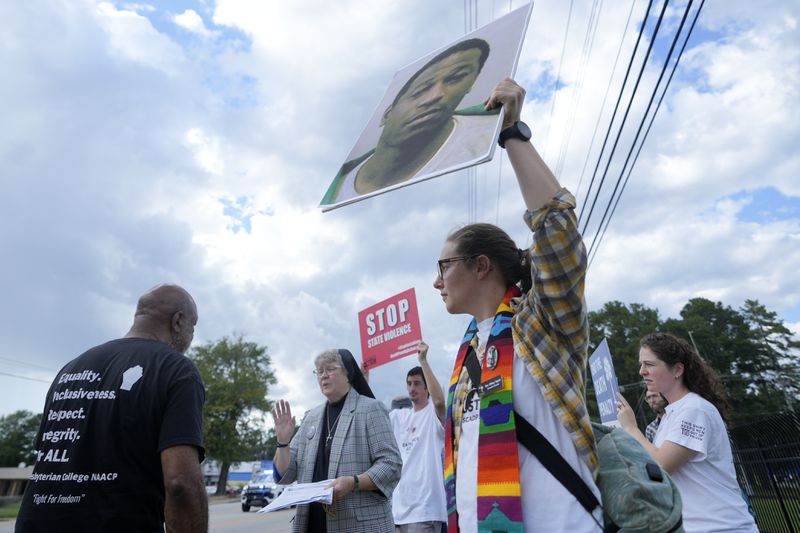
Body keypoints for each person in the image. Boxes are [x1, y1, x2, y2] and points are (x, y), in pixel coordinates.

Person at [435, 78, 601, 533]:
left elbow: (558, 233)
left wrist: (512, 134)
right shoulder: (467, 353)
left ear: (481, 266)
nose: (436, 282)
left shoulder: (542, 320)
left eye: (443, 265)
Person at [15, 284, 208, 533]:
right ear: (178, 321)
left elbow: (48, 457)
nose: (192, 336)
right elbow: (180, 482)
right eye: (193, 326)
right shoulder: (176, 369)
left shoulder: (71, 369)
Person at [321, 38, 499, 205]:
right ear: (386, 115)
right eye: (419, 91)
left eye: (455, 79)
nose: (435, 96)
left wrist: (512, 132)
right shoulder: (338, 190)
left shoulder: (485, 136)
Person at [616, 332, 758, 533]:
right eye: (641, 364)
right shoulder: (670, 415)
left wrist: (631, 428)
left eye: (650, 364)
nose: (642, 371)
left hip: (723, 527)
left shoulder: (694, 409)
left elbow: (662, 465)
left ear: (677, 369)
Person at [271, 349, 402, 533]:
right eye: (319, 371)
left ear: (348, 373)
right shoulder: (311, 417)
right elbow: (286, 474)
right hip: (312, 524)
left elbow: (391, 464)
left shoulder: (371, 409)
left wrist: (354, 482)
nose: (323, 375)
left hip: (358, 526)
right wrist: (283, 442)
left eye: (330, 369)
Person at [364, 342, 448, 532]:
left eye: (417, 383)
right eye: (409, 383)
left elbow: (440, 402)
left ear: (427, 387)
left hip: (426, 510)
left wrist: (423, 361)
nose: (412, 388)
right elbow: (373, 414)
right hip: (397, 510)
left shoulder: (432, 415)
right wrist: (364, 381)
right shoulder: (399, 417)